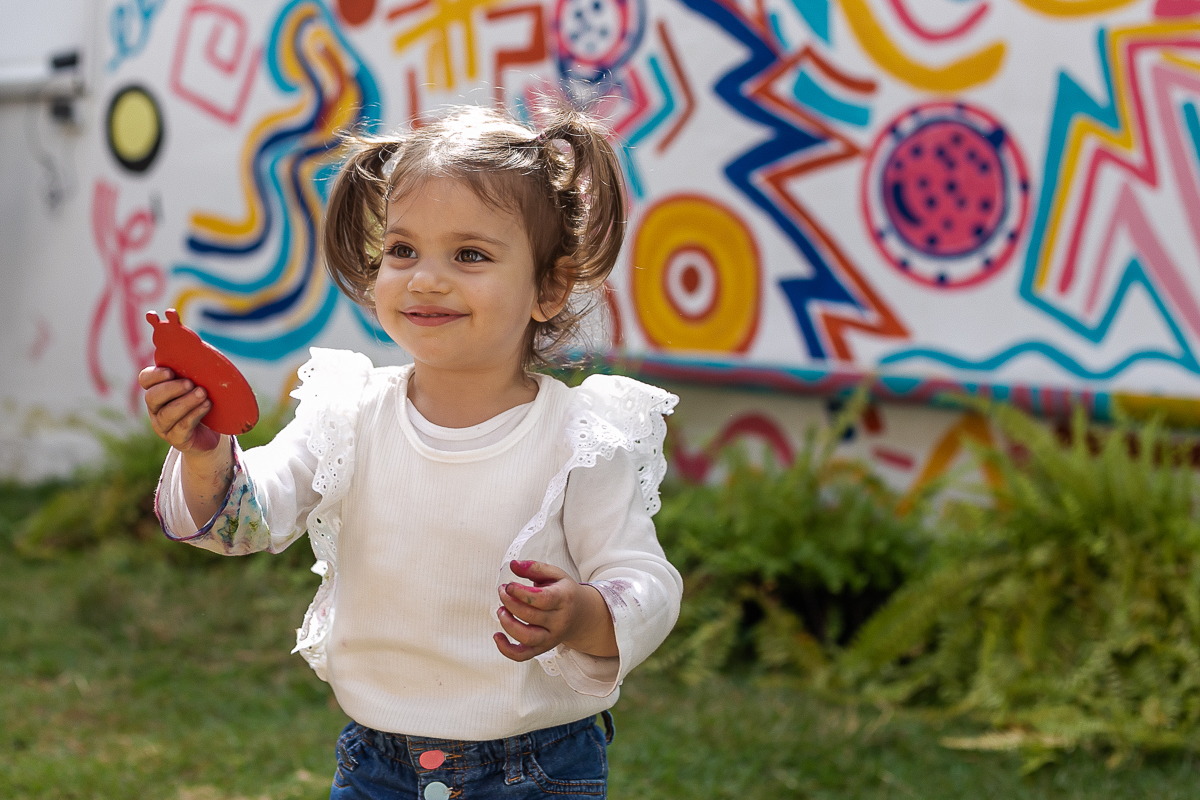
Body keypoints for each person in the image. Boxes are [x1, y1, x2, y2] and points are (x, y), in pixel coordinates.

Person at [138, 105, 682, 799]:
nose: (425, 278)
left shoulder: (580, 439)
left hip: (537, 771)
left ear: (548, 286)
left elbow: (647, 582)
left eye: (470, 254)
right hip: (377, 768)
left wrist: (583, 614)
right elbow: (250, 517)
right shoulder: (348, 413)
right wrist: (208, 450)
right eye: (402, 250)